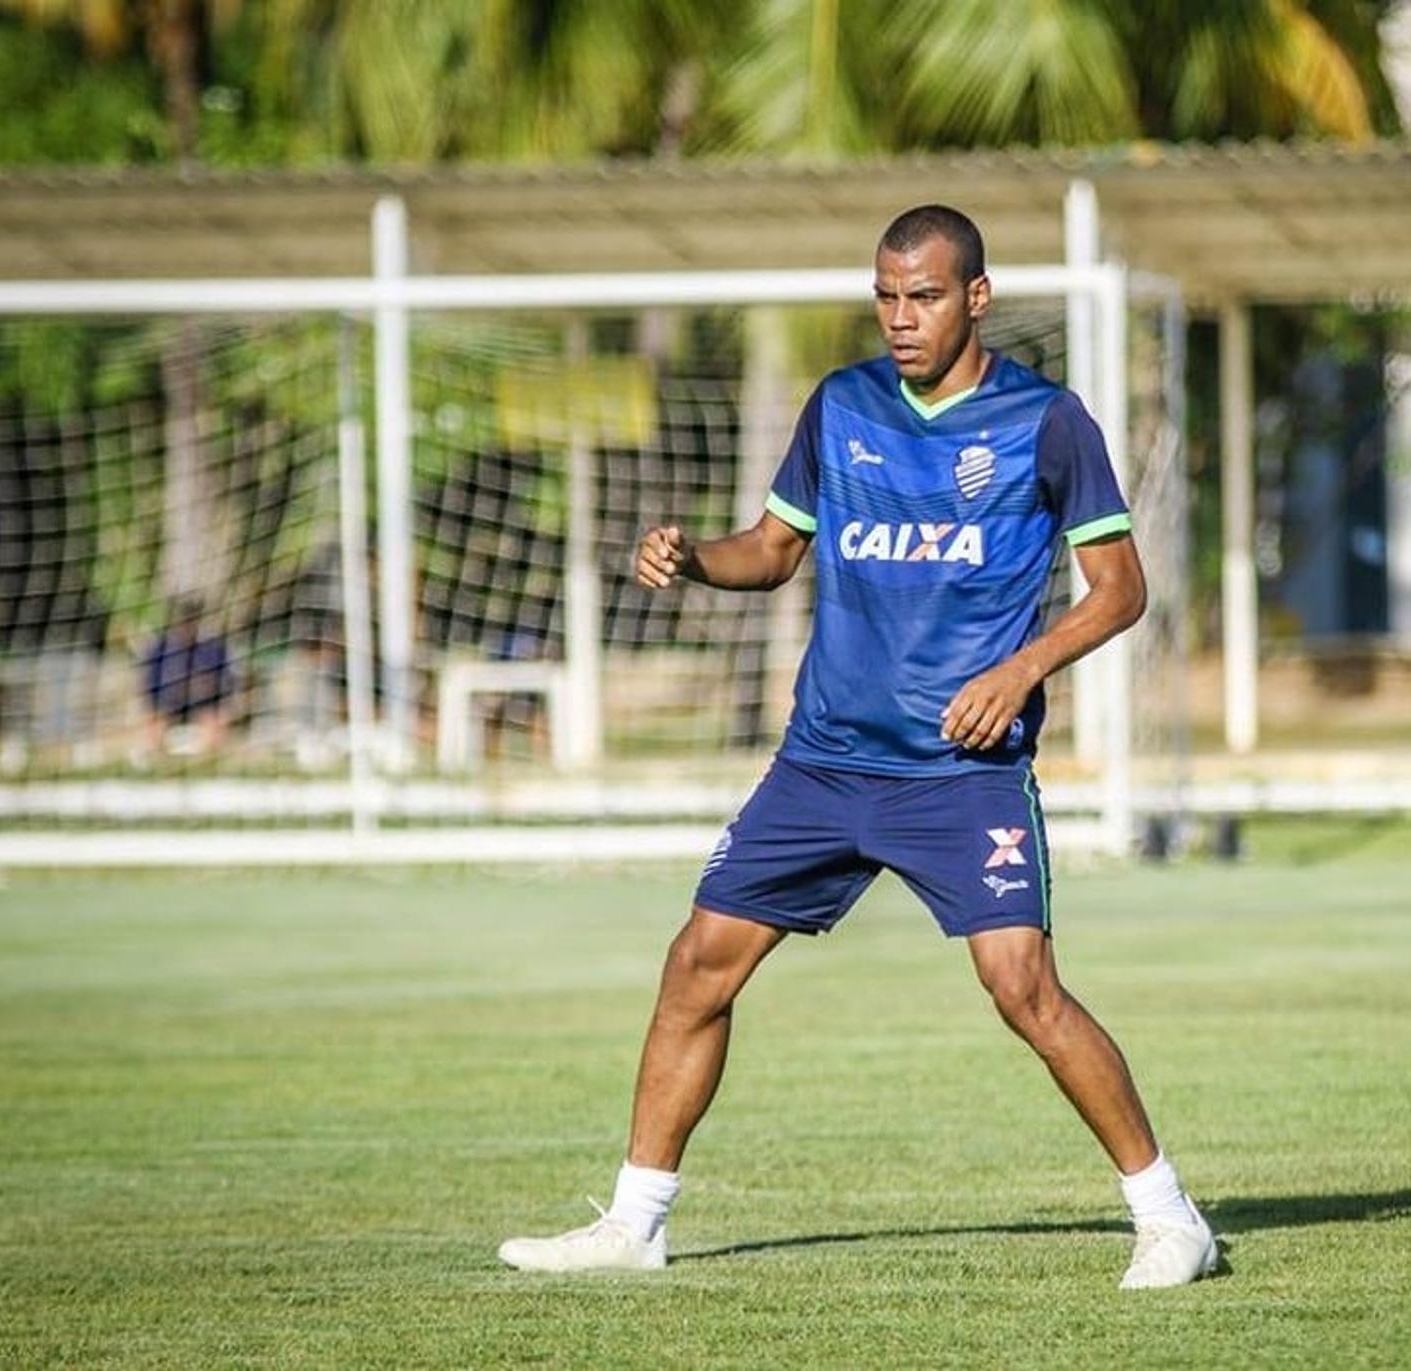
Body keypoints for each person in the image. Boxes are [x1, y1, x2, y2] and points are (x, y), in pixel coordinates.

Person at [498, 205, 1219, 1290]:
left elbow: (1120, 591)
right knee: (697, 966)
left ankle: (1171, 1221)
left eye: (923, 296)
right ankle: (636, 1224)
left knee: (1022, 988)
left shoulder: (1045, 420)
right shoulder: (842, 405)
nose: (900, 319)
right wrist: (696, 555)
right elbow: (774, 552)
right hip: (825, 763)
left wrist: (1020, 669)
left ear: (975, 296)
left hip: (959, 775)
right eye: (885, 297)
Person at [141, 595, 235, 756]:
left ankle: (206, 761)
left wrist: (204, 687)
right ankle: (157, 760)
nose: (188, 625)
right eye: (184, 620)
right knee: (154, 723)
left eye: (192, 620)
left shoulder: (213, 649)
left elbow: (226, 684)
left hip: (203, 705)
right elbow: (150, 687)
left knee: (214, 722)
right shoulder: (161, 649)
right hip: (170, 707)